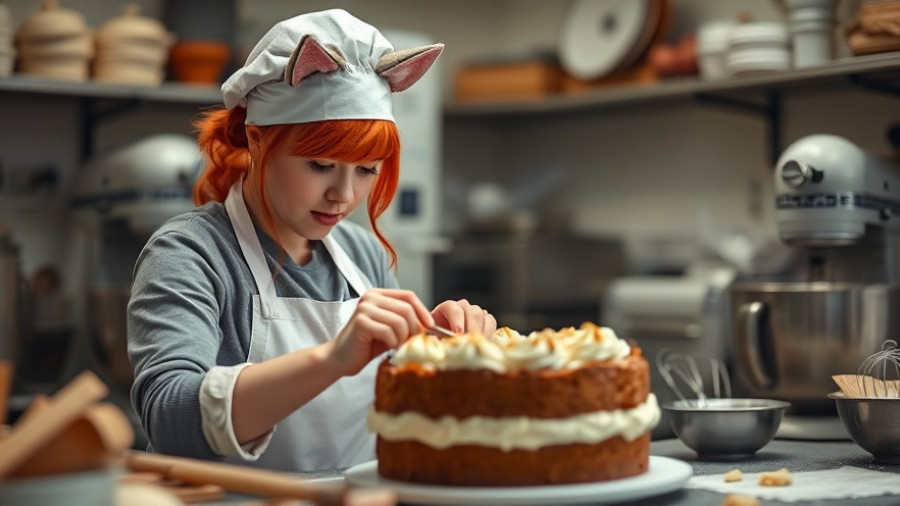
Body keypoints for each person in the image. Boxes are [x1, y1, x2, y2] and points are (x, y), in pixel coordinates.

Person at [127, 8, 497, 473]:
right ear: (258, 141)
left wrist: (443, 352)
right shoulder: (190, 253)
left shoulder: (362, 255)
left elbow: (401, 412)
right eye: (320, 165)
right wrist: (330, 359)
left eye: (366, 171)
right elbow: (169, 418)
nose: (344, 196)